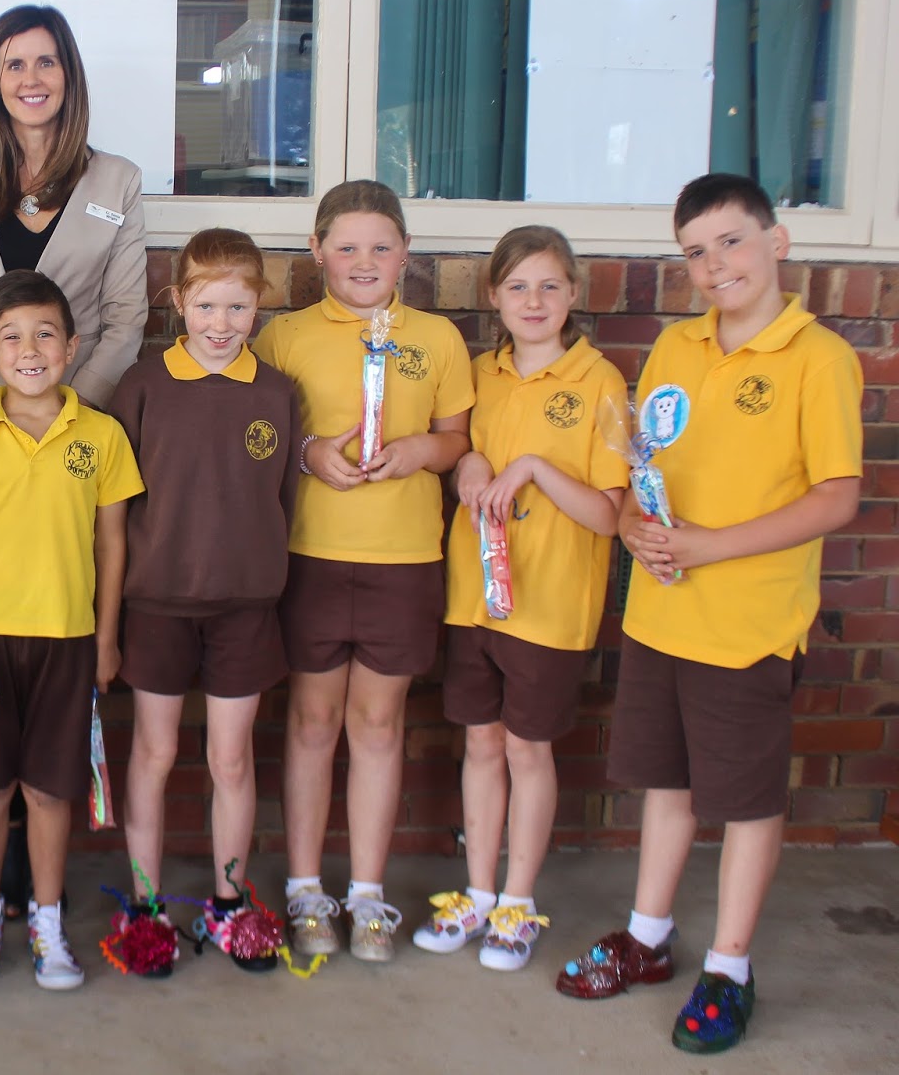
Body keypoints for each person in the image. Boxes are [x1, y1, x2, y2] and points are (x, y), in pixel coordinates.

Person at [557, 174, 862, 1054]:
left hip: (748, 624)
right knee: (670, 784)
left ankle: (729, 966)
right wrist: (633, 523)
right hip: (663, 614)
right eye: (695, 251)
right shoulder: (676, 345)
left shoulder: (817, 358)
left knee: (746, 800)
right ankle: (648, 937)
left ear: (778, 242)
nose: (715, 264)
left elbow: (836, 496)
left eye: (731, 240)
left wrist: (712, 547)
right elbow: (644, 466)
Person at [252, 180, 474, 963]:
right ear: (317, 253)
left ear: (406, 253)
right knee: (312, 721)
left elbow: (456, 439)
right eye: (346, 246)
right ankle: (306, 889)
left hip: (403, 557)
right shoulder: (285, 336)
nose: (364, 260)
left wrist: (421, 451)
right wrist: (310, 454)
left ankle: (369, 893)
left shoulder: (437, 338)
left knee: (378, 724)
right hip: (310, 553)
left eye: (381, 246)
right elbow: (261, 436)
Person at [410, 227, 627, 970]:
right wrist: (470, 465)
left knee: (528, 749)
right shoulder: (483, 373)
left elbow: (609, 515)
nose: (534, 301)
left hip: (550, 602)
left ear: (574, 293)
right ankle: (478, 893)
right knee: (481, 743)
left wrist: (534, 467)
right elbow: (463, 451)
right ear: (494, 296)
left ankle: (518, 901)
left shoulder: (598, 381)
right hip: (475, 598)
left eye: (549, 286)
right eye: (517, 287)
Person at [0, 270, 144, 991]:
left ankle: (48, 923)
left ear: (73, 346)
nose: (29, 350)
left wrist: (106, 638)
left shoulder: (102, 435)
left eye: (45, 335)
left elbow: (112, 544)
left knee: (52, 791)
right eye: (12, 337)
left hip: (68, 639)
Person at [107, 229, 299, 974]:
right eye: (208, 305)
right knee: (153, 753)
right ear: (178, 301)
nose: (222, 323)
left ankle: (228, 903)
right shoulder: (142, 387)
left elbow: (283, 501)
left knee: (230, 758)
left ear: (259, 306)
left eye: (238, 307)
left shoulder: (276, 393)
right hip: (157, 603)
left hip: (245, 606)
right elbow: (116, 508)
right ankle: (145, 907)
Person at [0, 2, 147, 415]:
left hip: (79, 413)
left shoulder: (120, 181)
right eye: (15, 65)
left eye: (46, 62)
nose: (31, 79)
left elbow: (126, 317)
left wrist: (72, 410)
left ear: (68, 75)